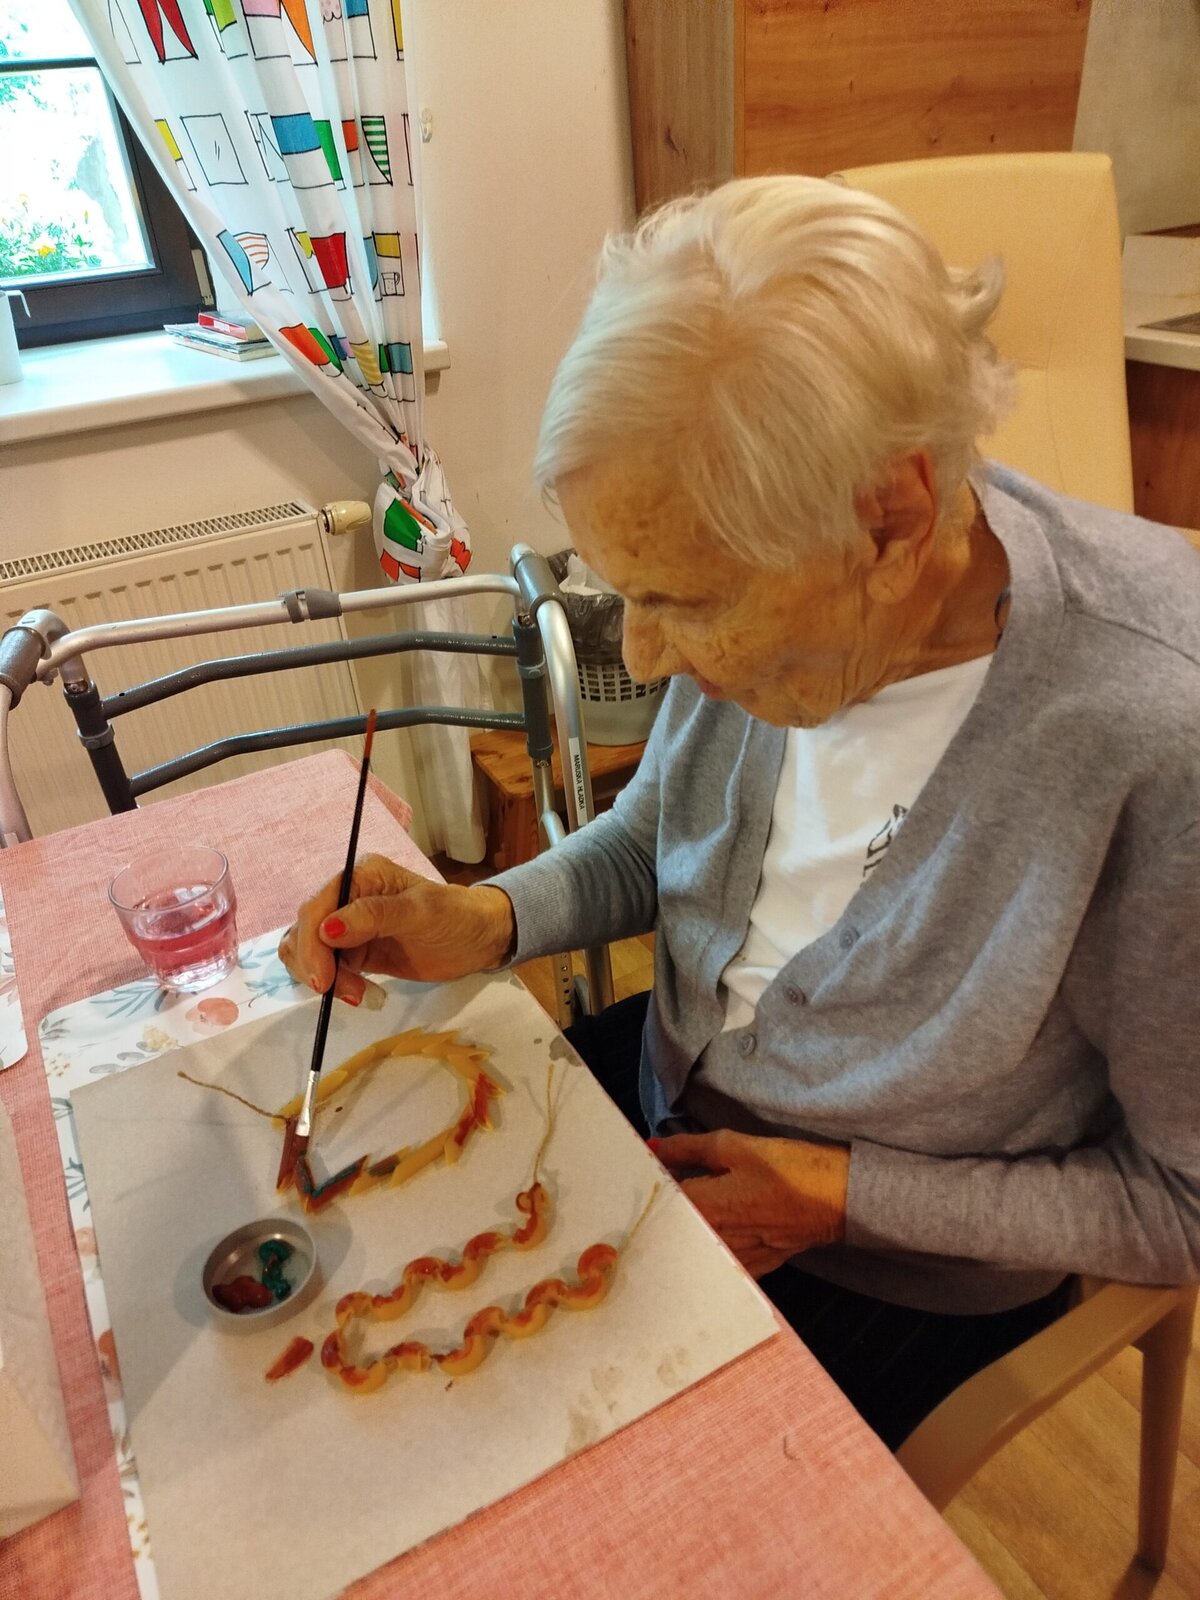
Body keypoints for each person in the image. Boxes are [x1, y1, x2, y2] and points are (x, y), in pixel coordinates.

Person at [281, 177, 1200, 1449]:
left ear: (892, 519)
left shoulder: (1155, 732)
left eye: (688, 603)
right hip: (674, 1096)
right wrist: (486, 919)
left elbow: (1180, 1201)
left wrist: (843, 1195)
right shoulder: (784, 579)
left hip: (887, 1262)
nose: (644, 657)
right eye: (628, 592)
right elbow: (666, 837)